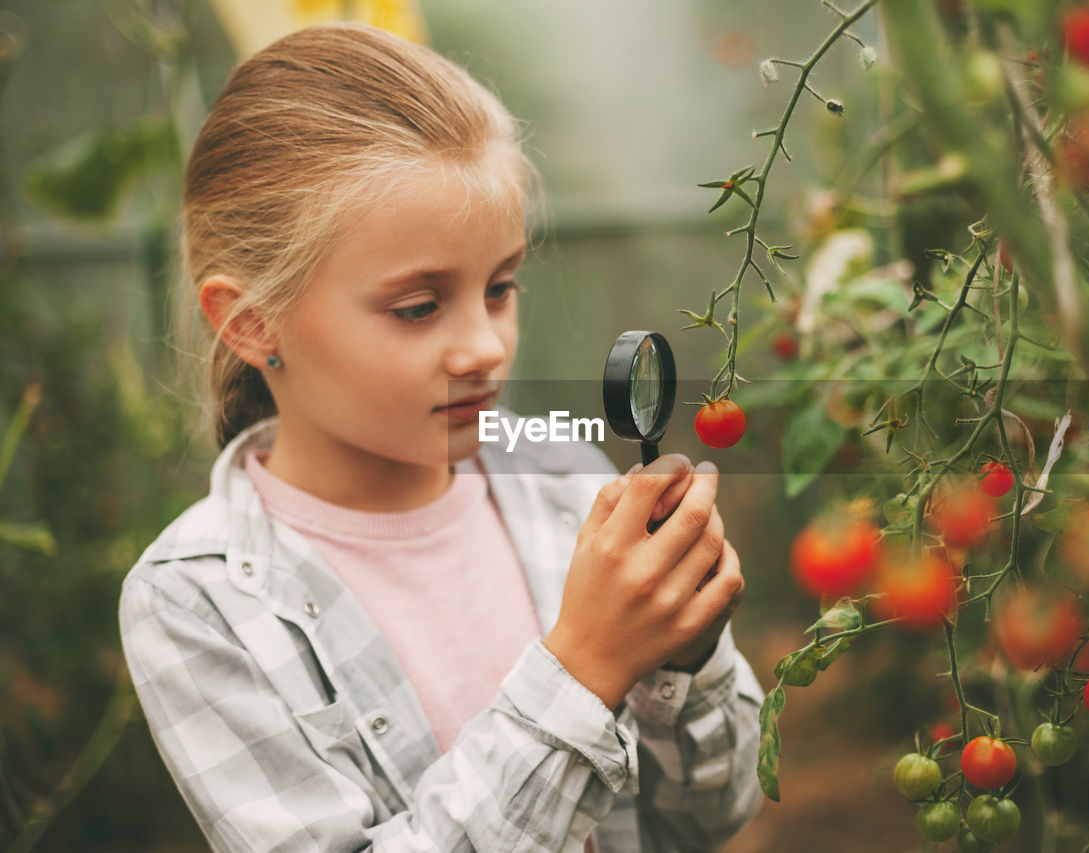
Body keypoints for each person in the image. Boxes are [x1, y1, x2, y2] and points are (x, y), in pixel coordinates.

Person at [117, 21, 765, 853]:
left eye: (500, 288)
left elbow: (710, 818)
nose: (486, 347)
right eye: (418, 307)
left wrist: (685, 653)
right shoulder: (200, 600)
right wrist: (584, 669)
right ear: (250, 322)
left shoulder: (564, 480)